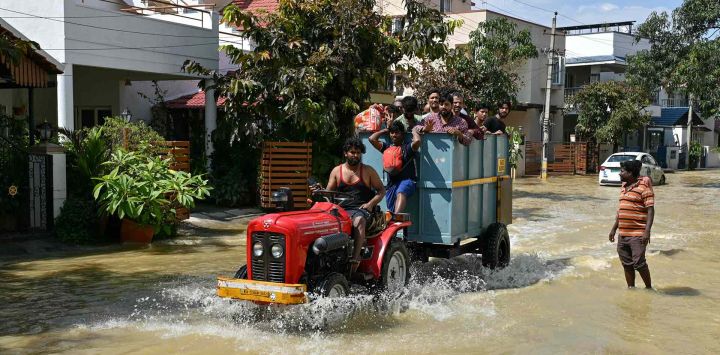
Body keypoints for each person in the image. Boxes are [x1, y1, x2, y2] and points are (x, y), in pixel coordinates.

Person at [315, 137, 385, 273]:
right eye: (352, 152)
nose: (355, 155)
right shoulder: (336, 171)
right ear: (346, 153)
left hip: (361, 210)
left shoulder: (368, 171)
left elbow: (381, 191)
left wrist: (370, 204)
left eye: (358, 153)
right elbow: (328, 194)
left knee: (358, 220)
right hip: (340, 210)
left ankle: (355, 257)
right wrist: (319, 189)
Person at [609, 159, 655, 289]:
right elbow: (621, 211)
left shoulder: (644, 188)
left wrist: (647, 231)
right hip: (623, 234)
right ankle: (631, 289)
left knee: (639, 263)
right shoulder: (623, 188)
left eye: (622, 171)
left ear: (630, 173)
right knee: (627, 264)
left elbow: (650, 210)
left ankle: (649, 288)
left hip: (637, 234)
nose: (619, 173)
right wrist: (613, 229)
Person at [368, 120, 423, 214]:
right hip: (391, 185)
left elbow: (417, 141)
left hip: (407, 181)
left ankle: (397, 217)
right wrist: (384, 131)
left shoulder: (406, 148)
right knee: (390, 210)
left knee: (401, 192)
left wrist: (414, 132)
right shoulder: (387, 148)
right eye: (392, 133)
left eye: (397, 132)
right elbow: (371, 139)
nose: (394, 135)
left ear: (403, 134)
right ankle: (394, 221)